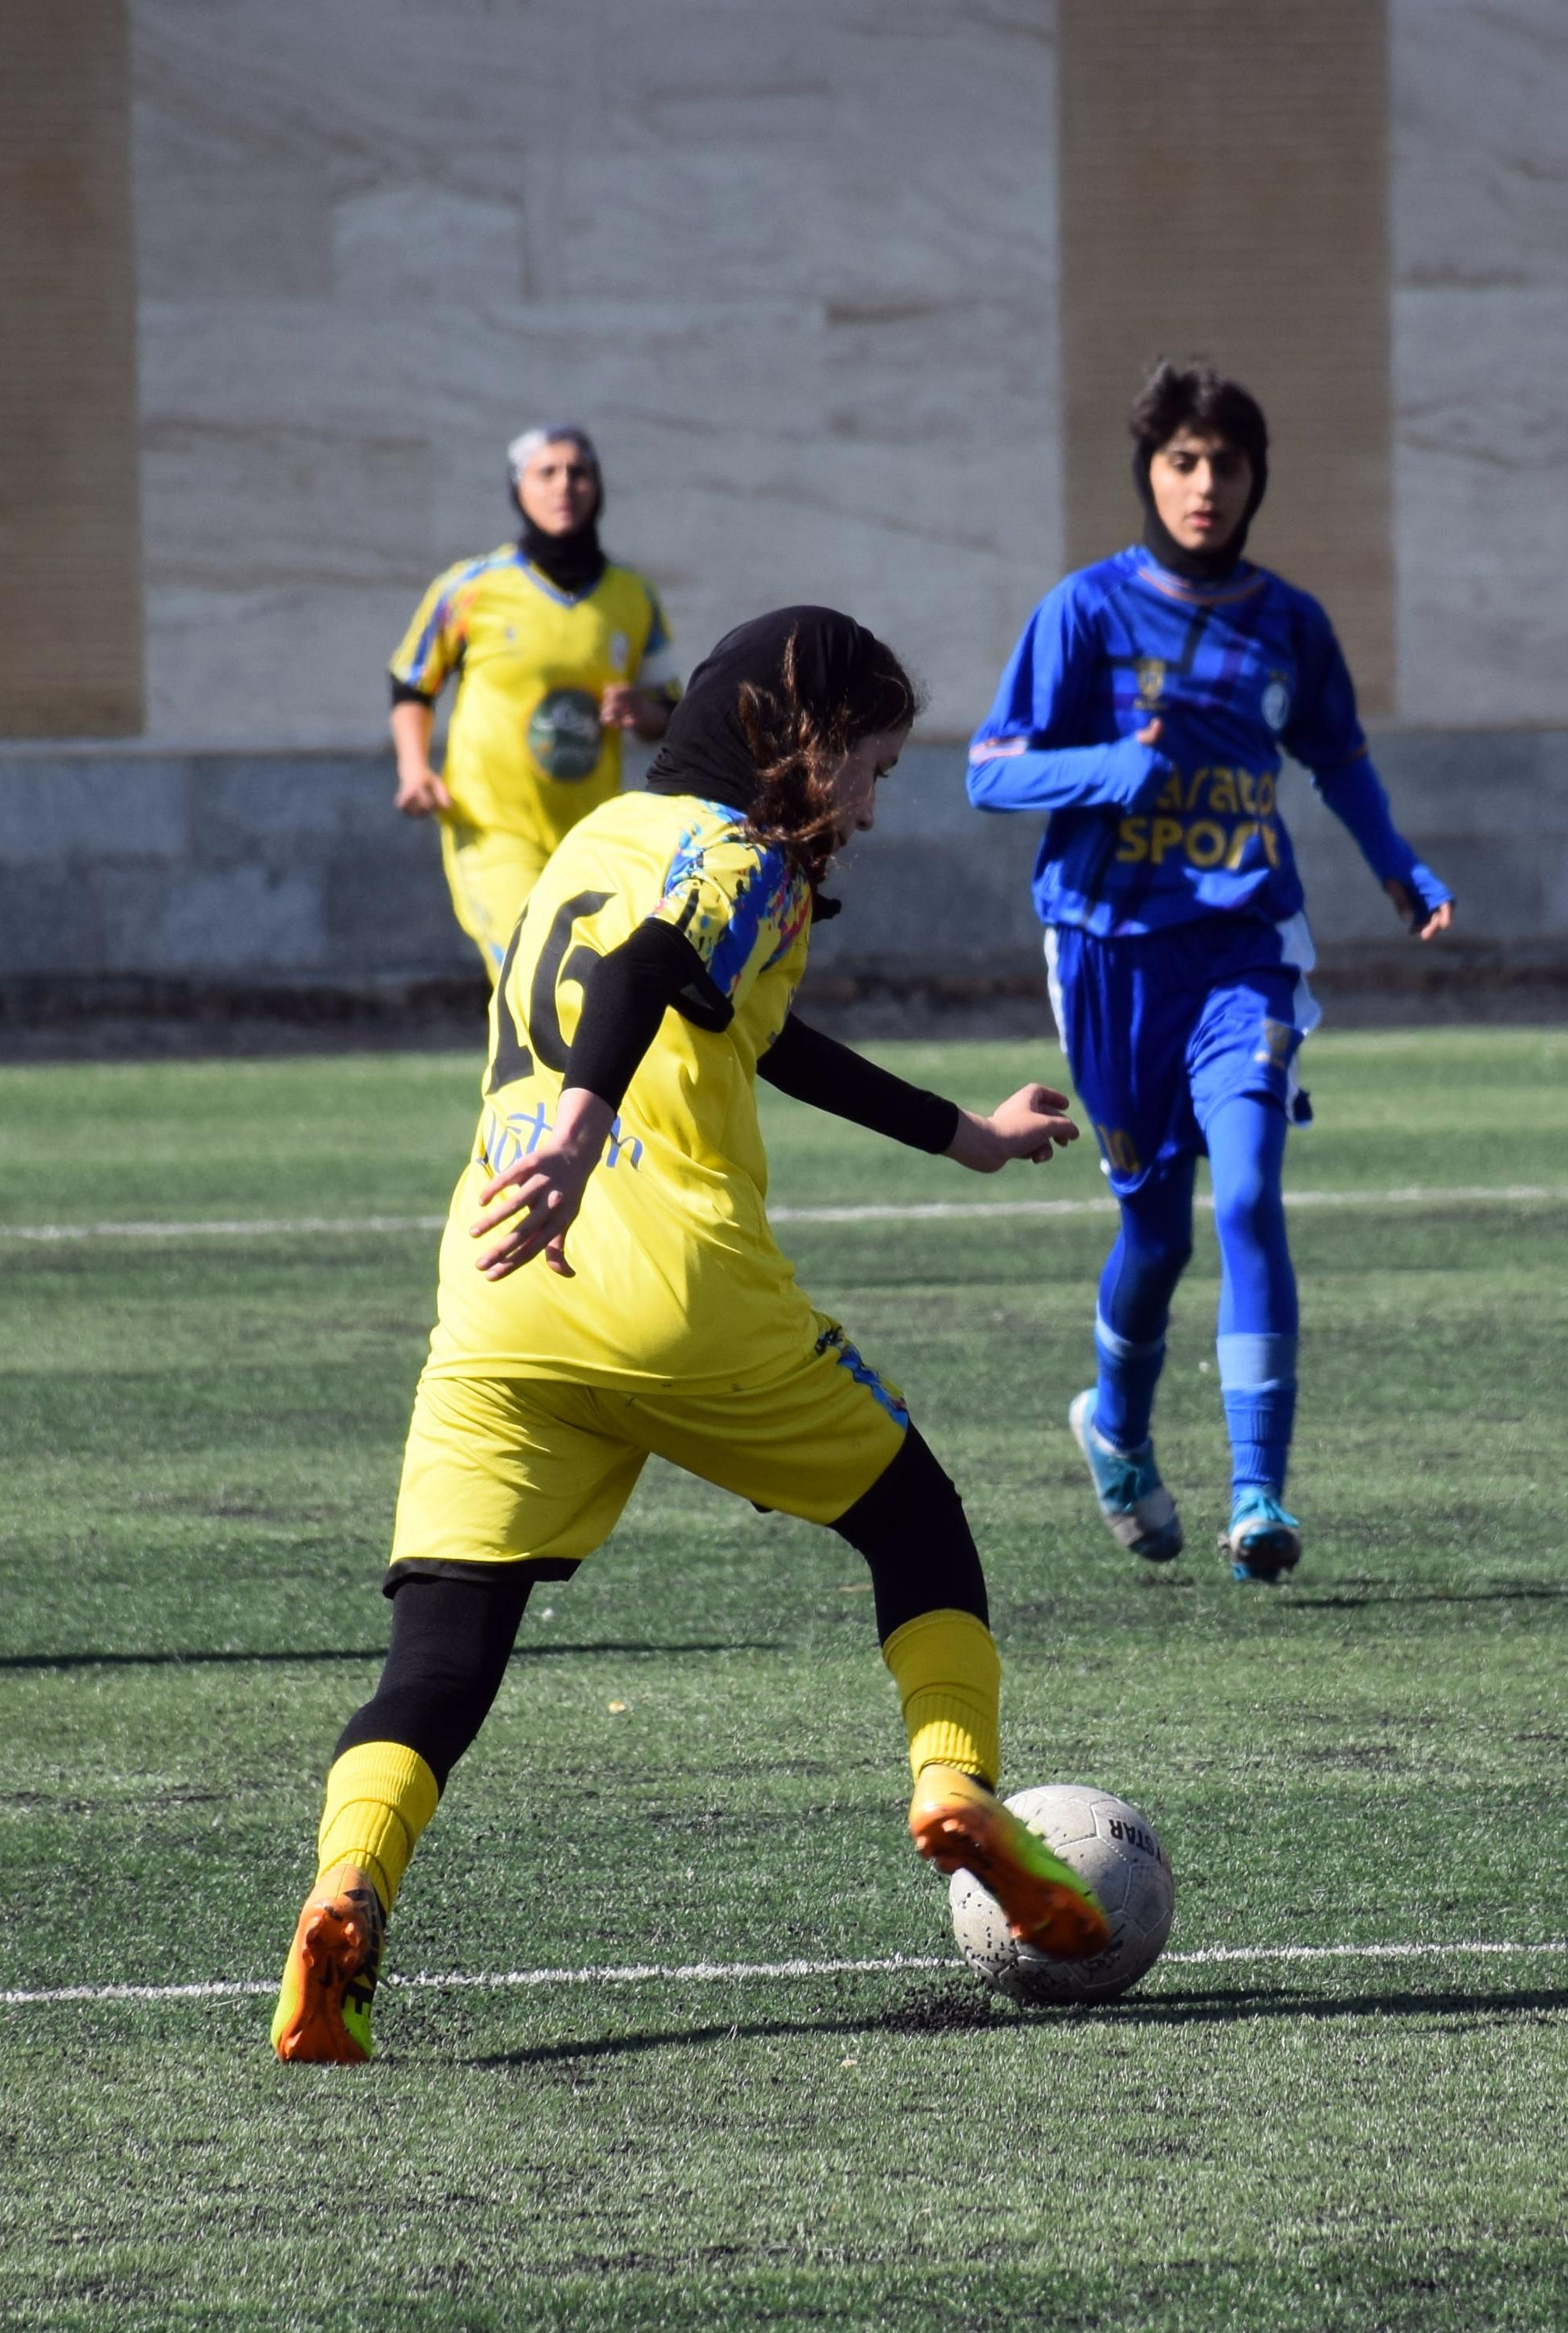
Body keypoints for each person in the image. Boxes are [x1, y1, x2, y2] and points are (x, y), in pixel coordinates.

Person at [273, 608, 1113, 2065]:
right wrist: (592, 1123)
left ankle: (348, 1893)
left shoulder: (590, 842)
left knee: (443, 1659)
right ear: (799, 742)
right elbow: (659, 963)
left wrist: (965, 1135)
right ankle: (958, 1785)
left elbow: (754, 1030)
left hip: (499, 1289)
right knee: (918, 1523)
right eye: (873, 764)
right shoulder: (745, 861)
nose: (870, 801)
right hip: (668, 1283)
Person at [967, 362, 1454, 1584]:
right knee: (1156, 1233)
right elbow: (988, 772)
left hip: (1248, 947)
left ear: (1255, 481)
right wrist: (1101, 771)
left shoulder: (1289, 621)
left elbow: (1337, 758)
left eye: (1225, 464)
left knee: (1245, 1196)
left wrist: (1399, 866)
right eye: (1181, 461)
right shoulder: (1081, 613)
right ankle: (1116, 1429)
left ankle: (1258, 1494)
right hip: (1110, 953)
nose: (1203, 484)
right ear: (1148, 471)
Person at [387, 426, 683, 971]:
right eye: (546, 472)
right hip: (491, 824)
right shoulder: (470, 588)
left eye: (578, 472)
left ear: (598, 488)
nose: (564, 486)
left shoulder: (633, 595)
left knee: (592, 982)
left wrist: (643, 712)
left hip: (592, 833)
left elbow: (672, 709)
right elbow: (412, 683)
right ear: (517, 488)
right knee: (531, 971)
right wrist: (413, 768)